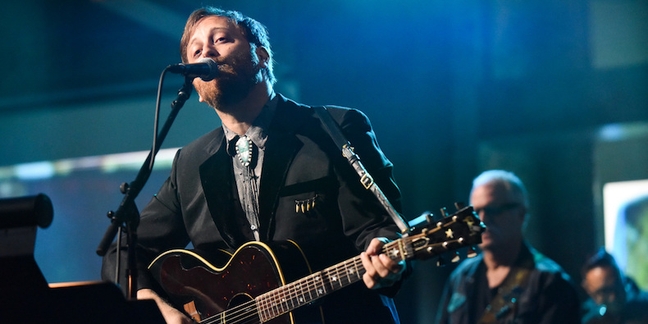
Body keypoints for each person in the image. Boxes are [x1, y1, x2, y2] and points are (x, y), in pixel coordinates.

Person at [101, 6, 408, 324]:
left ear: (261, 56)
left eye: (220, 39)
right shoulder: (189, 163)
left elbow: (381, 226)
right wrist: (155, 306)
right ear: (196, 87)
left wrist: (384, 251)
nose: (206, 50)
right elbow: (122, 251)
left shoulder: (334, 127)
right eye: (195, 50)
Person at [435, 170, 581, 324]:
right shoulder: (461, 277)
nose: (482, 220)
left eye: (493, 210)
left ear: (521, 214)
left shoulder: (550, 282)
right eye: (475, 213)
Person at [580, 248, 648, 324]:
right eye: (603, 291)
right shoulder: (587, 318)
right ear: (588, 290)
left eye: (616, 287)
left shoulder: (644, 307)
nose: (613, 297)